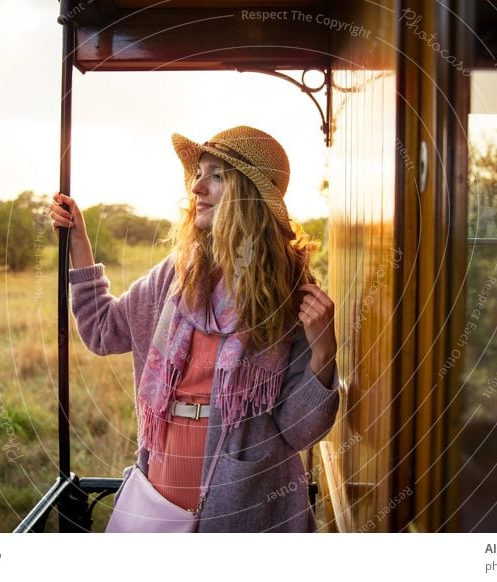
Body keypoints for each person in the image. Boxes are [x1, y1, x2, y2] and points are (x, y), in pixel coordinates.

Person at [49, 125, 340, 532]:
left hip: (246, 500)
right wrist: (79, 240)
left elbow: (299, 430)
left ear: (249, 196)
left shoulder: (289, 295)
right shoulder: (176, 277)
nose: (197, 187)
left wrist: (325, 352)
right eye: (198, 173)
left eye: (216, 175)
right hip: (163, 482)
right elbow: (102, 330)